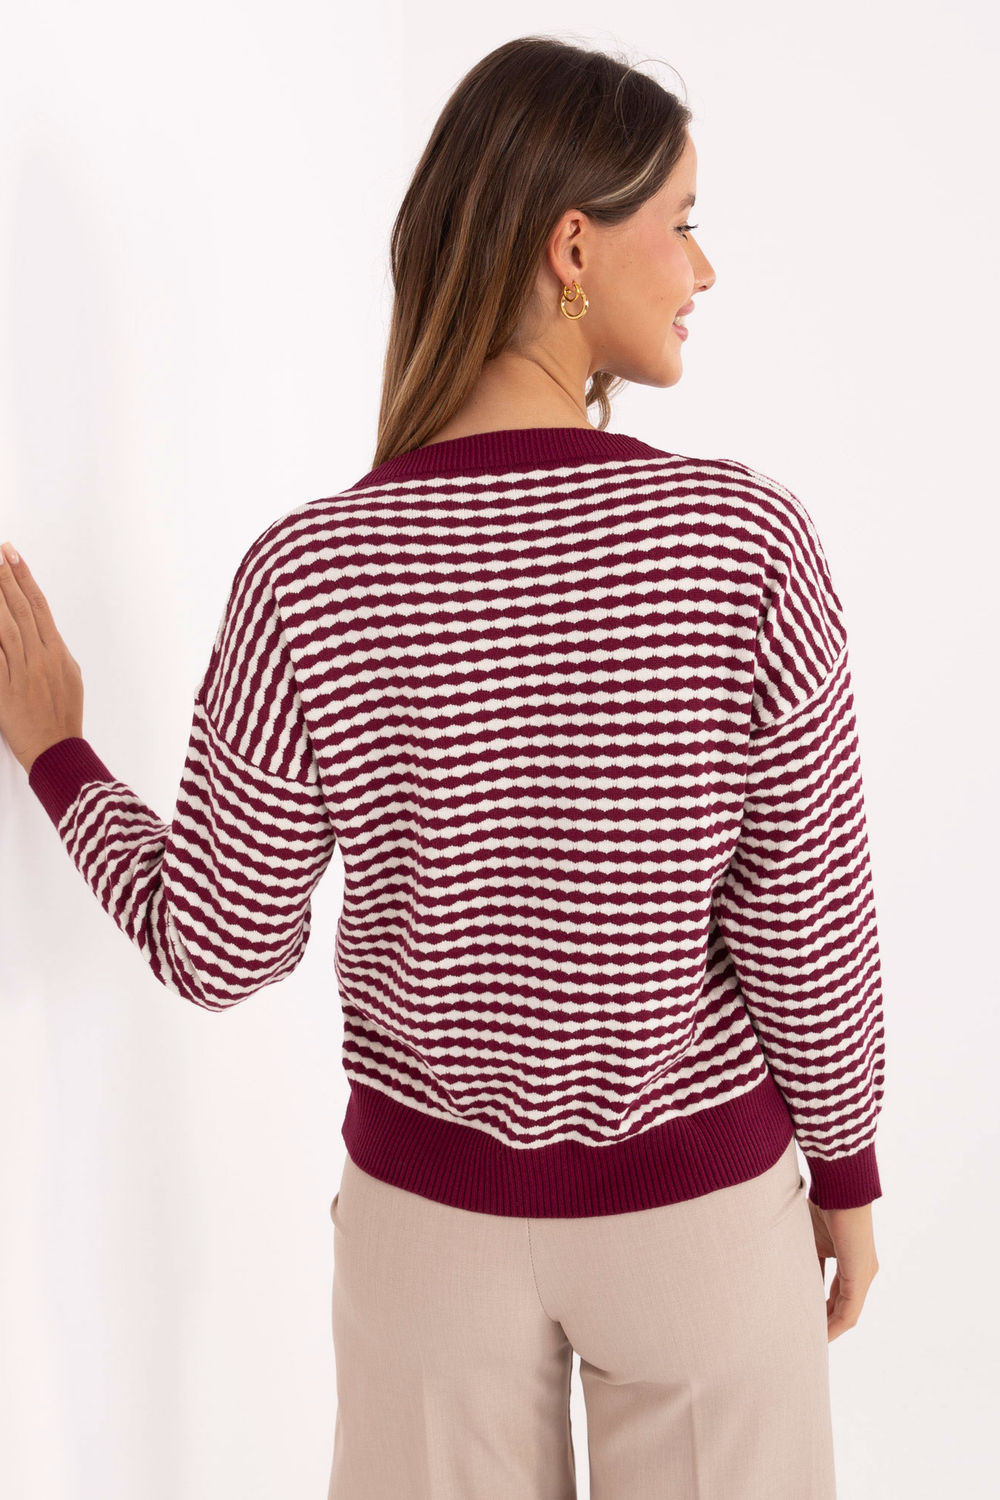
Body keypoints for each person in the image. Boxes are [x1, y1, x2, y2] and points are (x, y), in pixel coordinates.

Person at [0, 33, 883, 1500]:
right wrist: (846, 1174)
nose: (705, 268)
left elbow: (219, 946)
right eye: (684, 223)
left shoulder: (312, 571)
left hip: (430, 1240)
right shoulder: (744, 542)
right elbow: (807, 924)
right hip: (698, 1222)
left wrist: (58, 754)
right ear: (572, 247)